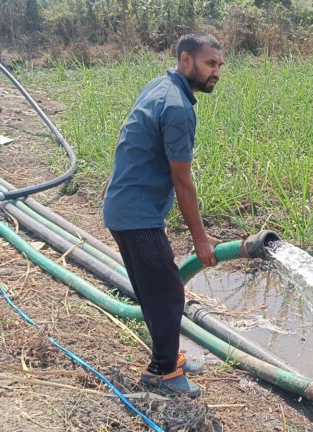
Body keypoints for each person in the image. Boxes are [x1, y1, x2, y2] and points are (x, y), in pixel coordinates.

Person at [102, 32, 226, 398]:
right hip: (137, 215)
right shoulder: (177, 108)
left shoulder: (161, 86)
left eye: (219, 65)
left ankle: (167, 357)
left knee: (153, 290)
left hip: (125, 206)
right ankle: (162, 373)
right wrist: (200, 240)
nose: (216, 72)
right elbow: (182, 179)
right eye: (209, 64)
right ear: (186, 60)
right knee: (169, 293)